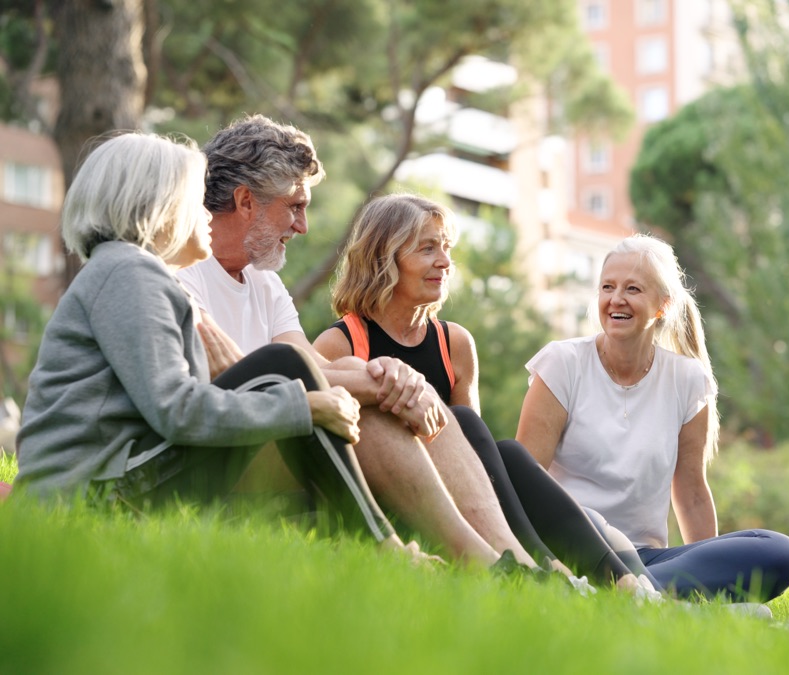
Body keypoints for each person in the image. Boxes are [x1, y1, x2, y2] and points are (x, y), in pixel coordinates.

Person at [13, 133, 422, 561]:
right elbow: (178, 410)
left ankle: (370, 539)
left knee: (284, 371)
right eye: (196, 200)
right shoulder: (128, 273)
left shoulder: (130, 272)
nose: (209, 212)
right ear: (157, 207)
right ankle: (383, 546)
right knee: (282, 364)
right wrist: (305, 406)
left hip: (108, 477)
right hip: (93, 490)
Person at [176, 115, 547, 574]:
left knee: (371, 376)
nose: (303, 226)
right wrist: (382, 386)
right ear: (246, 201)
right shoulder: (180, 271)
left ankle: (515, 563)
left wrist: (394, 375)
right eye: (294, 207)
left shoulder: (264, 283)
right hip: (218, 456)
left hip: (273, 441)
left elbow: (310, 364)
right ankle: (478, 562)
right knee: (366, 390)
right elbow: (252, 376)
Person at [313, 193, 660, 595]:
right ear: (384, 259)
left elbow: (470, 458)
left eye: (446, 248)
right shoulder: (340, 344)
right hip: (402, 504)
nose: (445, 262)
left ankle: (626, 586)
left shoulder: (455, 343)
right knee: (467, 423)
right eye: (428, 249)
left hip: (466, 507)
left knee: (507, 452)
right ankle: (543, 572)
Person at [515, 234, 789, 602]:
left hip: (646, 557)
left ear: (663, 305)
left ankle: (630, 593)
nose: (616, 299)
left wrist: (709, 566)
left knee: (778, 551)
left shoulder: (687, 379)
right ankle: (644, 594)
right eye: (607, 287)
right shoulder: (562, 363)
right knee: (588, 526)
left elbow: (691, 492)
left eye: (632, 288)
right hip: (575, 546)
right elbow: (525, 482)